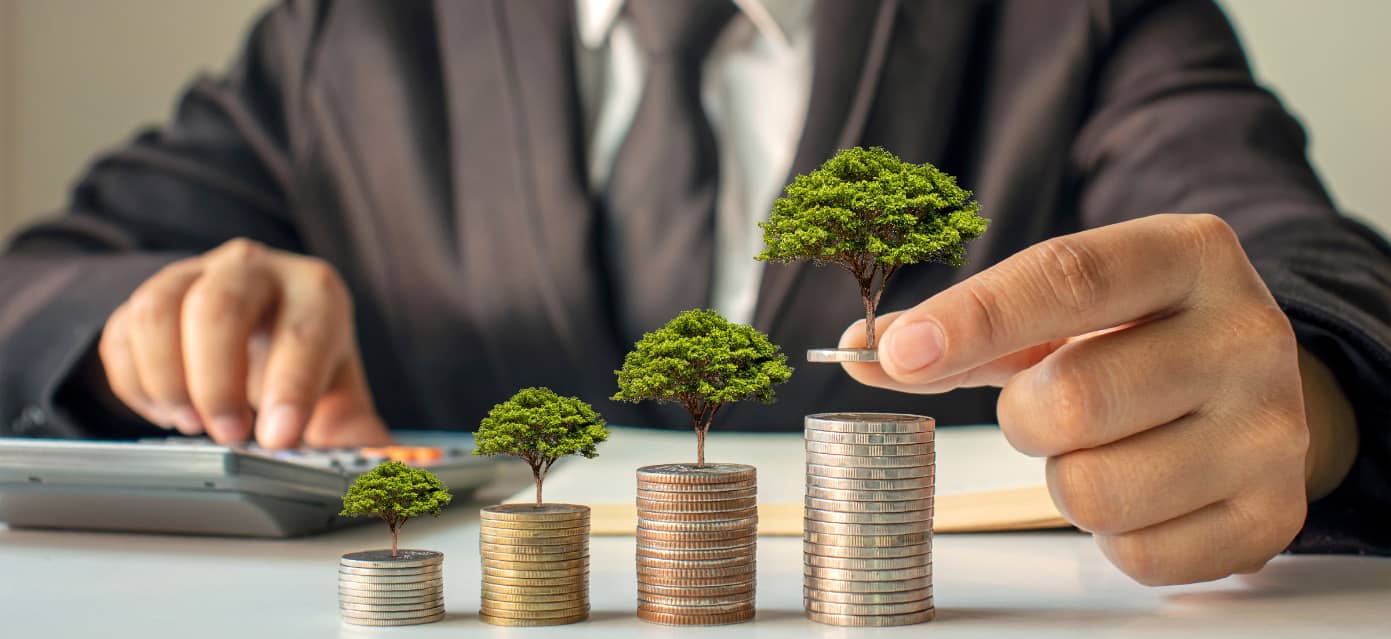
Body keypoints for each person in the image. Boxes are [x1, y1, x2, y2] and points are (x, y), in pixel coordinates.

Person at [1, 0, 1387, 585]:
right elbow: (34, 290)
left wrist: (1308, 391)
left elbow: (1308, 270)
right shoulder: (348, 39)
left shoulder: (1071, 19)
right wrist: (142, 329)